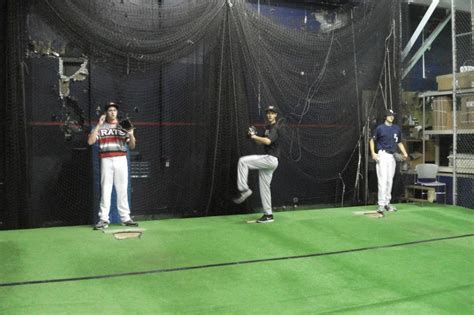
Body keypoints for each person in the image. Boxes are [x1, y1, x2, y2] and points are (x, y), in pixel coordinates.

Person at [88, 102, 138, 229]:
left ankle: (126, 218)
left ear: (117, 112)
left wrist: (131, 134)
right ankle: (103, 219)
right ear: (106, 113)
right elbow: (90, 141)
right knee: (106, 189)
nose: (112, 112)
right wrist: (99, 125)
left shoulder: (123, 127)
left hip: (121, 159)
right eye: (110, 110)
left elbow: (132, 146)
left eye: (114, 110)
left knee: (123, 189)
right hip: (106, 159)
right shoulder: (101, 127)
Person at [233, 105, 281, 223]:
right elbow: (261, 143)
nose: (269, 115)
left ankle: (244, 189)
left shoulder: (275, 127)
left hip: (270, 159)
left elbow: (268, 141)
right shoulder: (267, 128)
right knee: (265, 188)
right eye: (268, 113)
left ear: (276, 115)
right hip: (270, 161)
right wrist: (252, 136)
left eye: (272, 113)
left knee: (243, 161)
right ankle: (268, 215)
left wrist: (254, 136)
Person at [369, 109, 408, 215]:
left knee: (389, 180)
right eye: (390, 115)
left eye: (393, 115)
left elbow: (399, 142)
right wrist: (373, 153)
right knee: (382, 180)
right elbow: (372, 140)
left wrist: (404, 153)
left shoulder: (396, 128)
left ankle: (387, 203)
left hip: (392, 156)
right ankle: (381, 204)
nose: (392, 117)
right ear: (385, 116)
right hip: (382, 155)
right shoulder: (380, 128)